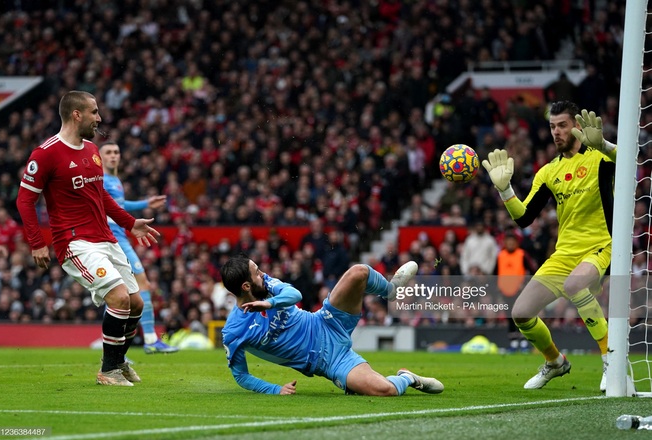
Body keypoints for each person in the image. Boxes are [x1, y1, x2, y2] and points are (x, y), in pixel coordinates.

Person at [15, 90, 160, 386]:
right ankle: (107, 371)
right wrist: (36, 242)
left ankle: (118, 363)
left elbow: (101, 195)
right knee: (119, 298)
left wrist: (131, 223)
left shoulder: (92, 150)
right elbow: (24, 201)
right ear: (76, 114)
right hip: (75, 242)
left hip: (106, 238)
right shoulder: (45, 153)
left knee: (136, 304)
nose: (100, 118)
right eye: (94, 112)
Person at [482, 101, 615, 391]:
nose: (556, 132)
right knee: (521, 312)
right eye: (552, 126)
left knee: (575, 285)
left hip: (602, 245)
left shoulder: (599, 159)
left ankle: (611, 360)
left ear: (577, 127)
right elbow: (524, 218)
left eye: (563, 125)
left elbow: (635, 159)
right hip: (564, 253)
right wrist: (505, 190)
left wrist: (604, 145)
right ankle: (555, 362)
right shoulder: (548, 172)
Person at [220, 254, 444, 396]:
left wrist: (269, 303)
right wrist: (275, 389)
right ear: (247, 285)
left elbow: (294, 294)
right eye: (257, 273)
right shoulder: (233, 331)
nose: (263, 274)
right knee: (384, 390)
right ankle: (408, 377)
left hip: (326, 321)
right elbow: (241, 376)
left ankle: (391, 291)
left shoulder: (267, 286)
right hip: (328, 360)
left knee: (359, 272)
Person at [99, 141, 178, 354]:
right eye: (108, 152)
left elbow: (120, 204)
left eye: (116, 152)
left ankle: (119, 346)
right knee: (141, 284)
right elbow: (108, 206)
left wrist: (145, 203)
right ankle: (150, 340)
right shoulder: (102, 179)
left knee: (123, 291)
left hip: (119, 237)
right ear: (100, 157)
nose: (113, 156)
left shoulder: (114, 180)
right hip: (113, 238)